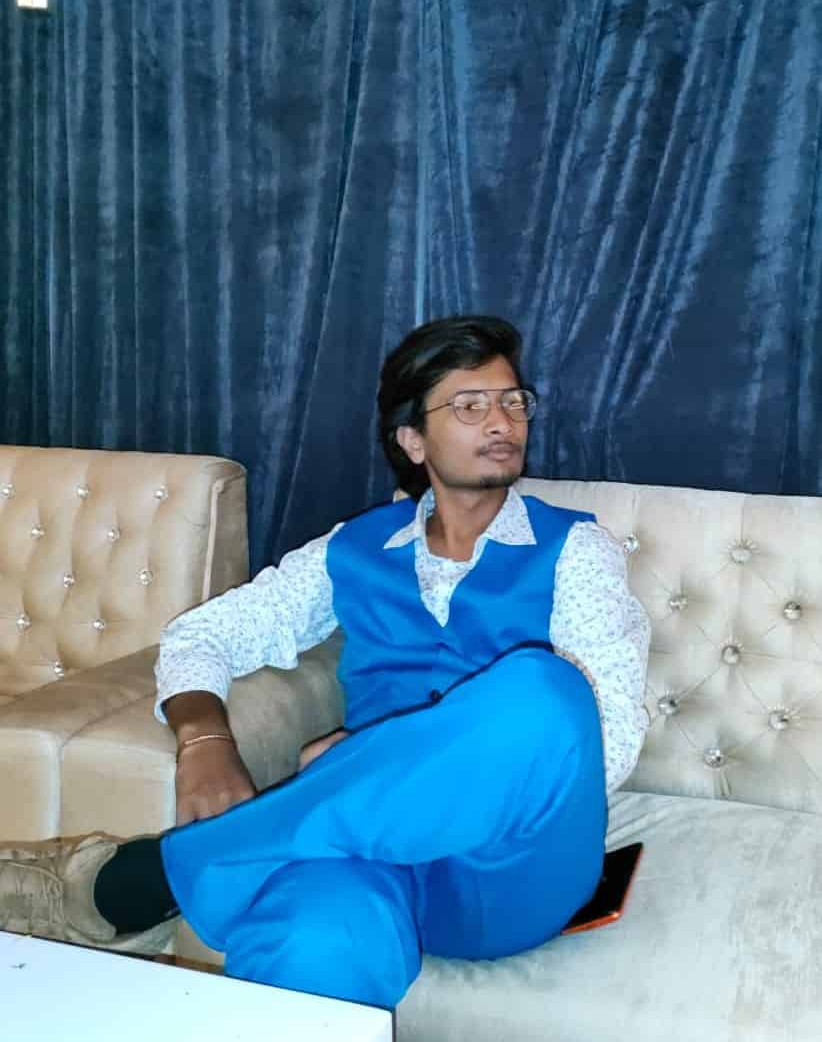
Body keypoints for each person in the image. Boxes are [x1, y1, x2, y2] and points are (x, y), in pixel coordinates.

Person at [0, 316, 650, 1010]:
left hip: (511, 867)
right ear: (412, 439)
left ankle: (147, 879)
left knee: (545, 693)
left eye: (513, 401)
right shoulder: (354, 548)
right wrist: (204, 739)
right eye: (470, 405)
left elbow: (608, 738)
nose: (502, 421)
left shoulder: (576, 548)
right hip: (366, 858)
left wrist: (375, 760)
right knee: (314, 939)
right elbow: (203, 635)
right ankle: (231, 884)